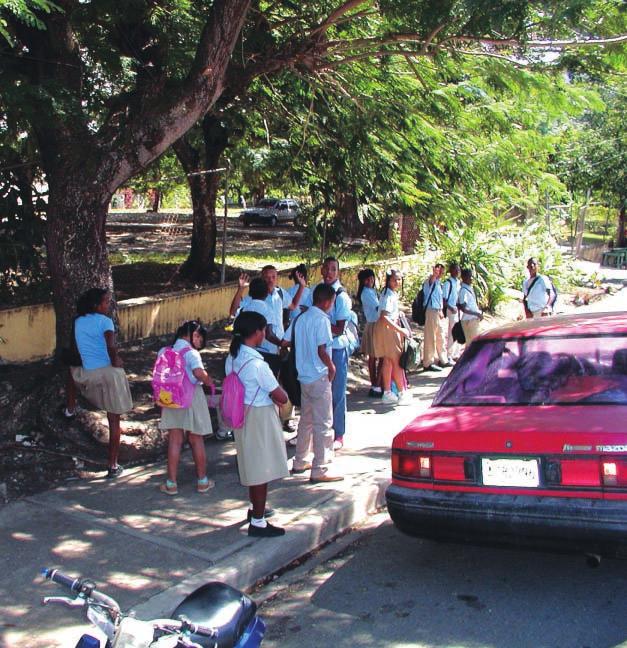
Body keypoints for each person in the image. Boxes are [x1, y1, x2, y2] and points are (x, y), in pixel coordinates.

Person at [225, 311, 290, 537]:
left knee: (252, 465)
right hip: (260, 416)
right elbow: (280, 396)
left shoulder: (232, 357)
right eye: (263, 330)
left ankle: (255, 510)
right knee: (261, 469)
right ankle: (259, 521)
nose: (265, 334)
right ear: (256, 333)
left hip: (240, 415)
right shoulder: (258, 365)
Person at [283, 284, 344, 483]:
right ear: (326, 301)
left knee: (306, 421)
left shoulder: (301, 318)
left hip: (303, 377)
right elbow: (321, 350)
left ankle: (300, 460)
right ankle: (321, 467)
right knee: (323, 423)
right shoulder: (322, 320)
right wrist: (331, 367)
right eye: (332, 302)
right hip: (318, 376)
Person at [70, 288, 133, 478]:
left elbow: (75, 348)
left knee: (69, 374)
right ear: (96, 305)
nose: (109, 305)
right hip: (109, 375)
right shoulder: (106, 322)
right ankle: (113, 465)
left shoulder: (78, 321)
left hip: (88, 374)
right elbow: (110, 345)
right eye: (106, 302)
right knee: (114, 420)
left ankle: (70, 407)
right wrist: (116, 360)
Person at [158, 321, 215, 496]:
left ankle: (171, 483)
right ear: (192, 334)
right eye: (198, 337)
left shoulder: (164, 351)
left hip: (171, 397)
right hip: (192, 397)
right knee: (196, 439)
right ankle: (202, 481)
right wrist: (209, 381)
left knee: (175, 440)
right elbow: (199, 373)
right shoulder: (192, 353)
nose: (199, 341)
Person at [316, 257, 352, 450]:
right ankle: (320, 429)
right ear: (321, 270)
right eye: (326, 269)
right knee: (319, 390)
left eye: (333, 270)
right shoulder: (318, 291)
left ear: (338, 272)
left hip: (336, 349)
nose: (329, 273)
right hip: (320, 348)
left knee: (337, 391)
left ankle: (339, 433)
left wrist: (319, 322)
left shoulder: (341, 296)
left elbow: (339, 328)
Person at [373, 269, 412, 406]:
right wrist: (400, 330)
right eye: (395, 279)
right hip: (389, 329)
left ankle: (388, 392)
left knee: (388, 361)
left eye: (399, 279)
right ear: (389, 280)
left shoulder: (387, 294)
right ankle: (401, 392)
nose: (397, 282)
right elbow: (384, 317)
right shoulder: (388, 295)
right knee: (396, 361)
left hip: (385, 329)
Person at [239, 277, 285, 376]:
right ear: (266, 293)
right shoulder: (268, 309)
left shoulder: (246, 308)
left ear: (250, 293)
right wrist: (282, 344)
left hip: (248, 351)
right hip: (268, 353)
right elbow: (269, 334)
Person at [356, 268, 381, 397]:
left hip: (377, 324)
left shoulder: (372, 291)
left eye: (372, 278)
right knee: (373, 357)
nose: (370, 281)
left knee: (378, 356)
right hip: (372, 325)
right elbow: (378, 307)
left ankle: (378, 382)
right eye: (368, 279)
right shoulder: (366, 293)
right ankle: (374, 383)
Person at [421, 263, 446, 372]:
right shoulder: (430, 281)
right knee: (430, 337)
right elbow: (431, 280)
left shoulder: (439, 283)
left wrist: (440, 310)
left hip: (436, 311)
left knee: (440, 335)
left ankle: (443, 359)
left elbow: (438, 298)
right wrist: (434, 274)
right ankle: (428, 362)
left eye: (441, 271)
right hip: (431, 311)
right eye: (438, 271)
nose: (440, 273)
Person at [458, 268, 483, 343]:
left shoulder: (468, 288)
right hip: (469, 320)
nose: (471, 278)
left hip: (473, 319)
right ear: (464, 278)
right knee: (472, 343)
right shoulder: (463, 291)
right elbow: (463, 309)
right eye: (469, 276)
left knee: (473, 344)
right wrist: (477, 314)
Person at [442, 263, 461, 363]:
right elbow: (444, 300)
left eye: (458, 270)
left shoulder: (458, 282)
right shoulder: (448, 283)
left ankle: (456, 354)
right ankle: (449, 355)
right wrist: (451, 307)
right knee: (452, 332)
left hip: (458, 310)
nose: (458, 272)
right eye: (455, 270)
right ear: (451, 271)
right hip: (451, 310)